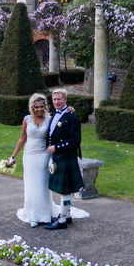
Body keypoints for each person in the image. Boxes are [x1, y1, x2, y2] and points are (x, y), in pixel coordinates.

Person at [7, 94, 87, 228]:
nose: (39, 109)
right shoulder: (27, 119)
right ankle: (33, 215)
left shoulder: (50, 119)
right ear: (32, 108)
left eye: (41, 106)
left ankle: (45, 214)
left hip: (44, 155)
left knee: (43, 186)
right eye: (36, 107)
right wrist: (13, 156)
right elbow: (22, 139)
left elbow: (63, 123)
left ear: (45, 107)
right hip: (29, 156)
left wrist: (70, 109)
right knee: (30, 186)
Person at [44, 89, 84, 230]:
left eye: (59, 99)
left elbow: (75, 141)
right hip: (58, 157)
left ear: (65, 99)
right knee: (65, 190)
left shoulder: (72, 117)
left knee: (65, 191)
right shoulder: (54, 114)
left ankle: (61, 220)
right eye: (54, 99)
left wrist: (57, 147)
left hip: (66, 156)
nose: (56, 102)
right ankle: (67, 216)